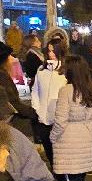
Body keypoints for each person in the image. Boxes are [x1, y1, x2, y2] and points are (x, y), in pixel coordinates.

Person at [0, 42, 35, 136]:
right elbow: (13, 102)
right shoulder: (0, 76)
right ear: (3, 60)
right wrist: (32, 113)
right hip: (8, 122)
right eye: (9, 56)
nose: (12, 59)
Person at [30, 39, 67, 167]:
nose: (51, 54)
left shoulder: (65, 70)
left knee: (60, 153)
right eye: (49, 50)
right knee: (49, 150)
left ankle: (62, 177)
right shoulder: (41, 69)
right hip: (43, 118)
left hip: (59, 119)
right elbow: (35, 91)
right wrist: (37, 108)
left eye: (54, 51)